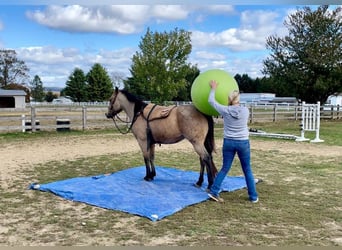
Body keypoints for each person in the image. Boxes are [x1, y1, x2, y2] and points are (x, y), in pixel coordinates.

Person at [207, 80, 259, 203]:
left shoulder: (225, 110)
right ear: (238, 99)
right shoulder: (245, 111)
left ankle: (214, 191)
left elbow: (211, 101)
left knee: (225, 168)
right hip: (243, 142)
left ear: (229, 99)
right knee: (247, 169)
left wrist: (213, 88)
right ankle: (253, 196)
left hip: (229, 142)